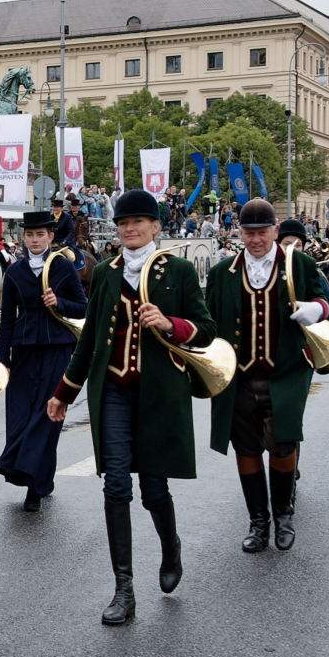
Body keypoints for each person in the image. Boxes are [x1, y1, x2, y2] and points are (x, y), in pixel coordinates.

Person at [47, 189, 216, 625]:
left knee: (153, 489)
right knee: (116, 485)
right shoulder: (106, 273)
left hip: (159, 396)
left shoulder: (177, 270)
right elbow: (89, 339)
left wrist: (171, 324)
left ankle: (171, 546)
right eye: (123, 223)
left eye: (138, 221)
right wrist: (63, 393)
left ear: (155, 226)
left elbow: (206, 329)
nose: (130, 229)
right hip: (114, 393)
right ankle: (124, 588)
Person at [205, 201, 329, 554]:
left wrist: (316, 308)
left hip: (285, 375)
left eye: (262, 232)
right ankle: (258, 522)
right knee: (245, 450)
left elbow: (328, 304)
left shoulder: (299, 264)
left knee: (283, 445)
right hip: (238, 377)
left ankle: (283, 515)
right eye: (249, 233)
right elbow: (208, 322)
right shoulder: (222, 272)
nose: (256, 239)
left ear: (275, 230)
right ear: (239, 233)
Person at [0, 211, 88, 511]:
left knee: (47, 417)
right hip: (23, 351)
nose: (35, 240)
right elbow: (7, 319)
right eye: (30, 235)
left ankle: (35, 487)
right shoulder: (14, 272)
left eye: (40, 234)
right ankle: (35, 475)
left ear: (50, 236)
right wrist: (2, 360)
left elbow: (83, 307)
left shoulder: (63, 266)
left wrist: (59, 303)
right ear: (23, 238)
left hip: (56, 350)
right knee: (20, 415)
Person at [278, 218, 329, 327]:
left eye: (297, 245)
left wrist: (318, 309)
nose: (292, 249)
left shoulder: (314, 272)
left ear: (302, 247)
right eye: (287, 244)